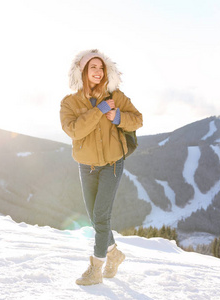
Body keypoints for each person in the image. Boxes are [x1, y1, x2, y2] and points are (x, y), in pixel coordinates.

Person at [60, 49, 143, 285]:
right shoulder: (69, 102)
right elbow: (74, 130)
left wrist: (117, 117)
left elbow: (137, 119)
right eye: (93, 67)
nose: (98, 71)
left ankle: (95, 269)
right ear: (83, 72)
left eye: (101, 67)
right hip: (86, 167)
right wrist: (99, 111)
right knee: (95, 219)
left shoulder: (115, 96)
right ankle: (114, 254)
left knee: (100, 216)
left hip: (112, 164)